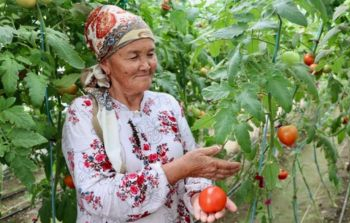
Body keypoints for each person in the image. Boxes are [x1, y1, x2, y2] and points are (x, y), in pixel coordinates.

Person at [61, 5, 241, 223]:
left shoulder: (167, 104)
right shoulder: (83, 114)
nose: (146, 65)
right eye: (134, 56)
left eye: (150, 54)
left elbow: (193, 166)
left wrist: (198, 195)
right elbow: (95, 196)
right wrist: (175, 171)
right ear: (106, 64)